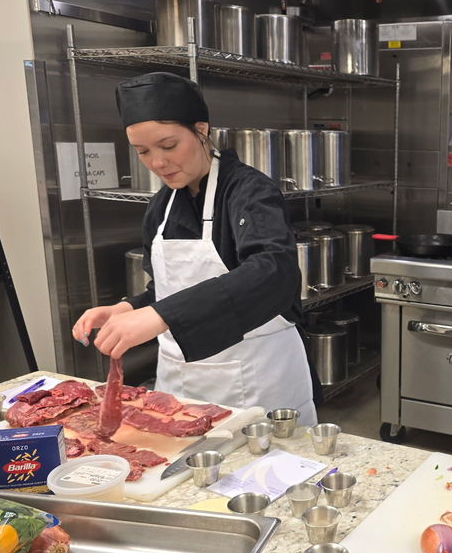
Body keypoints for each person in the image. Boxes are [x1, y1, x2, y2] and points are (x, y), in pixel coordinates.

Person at [72, 72, 317, 423]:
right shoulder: (162, 206)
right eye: (142, 152)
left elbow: (273, 270)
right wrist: (128, 308)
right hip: (180, 387)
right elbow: (168, 289)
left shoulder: (248, 191)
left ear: (201, 130)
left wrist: (160, 317)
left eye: (168, 146)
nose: (157, 163)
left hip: (258, 386)